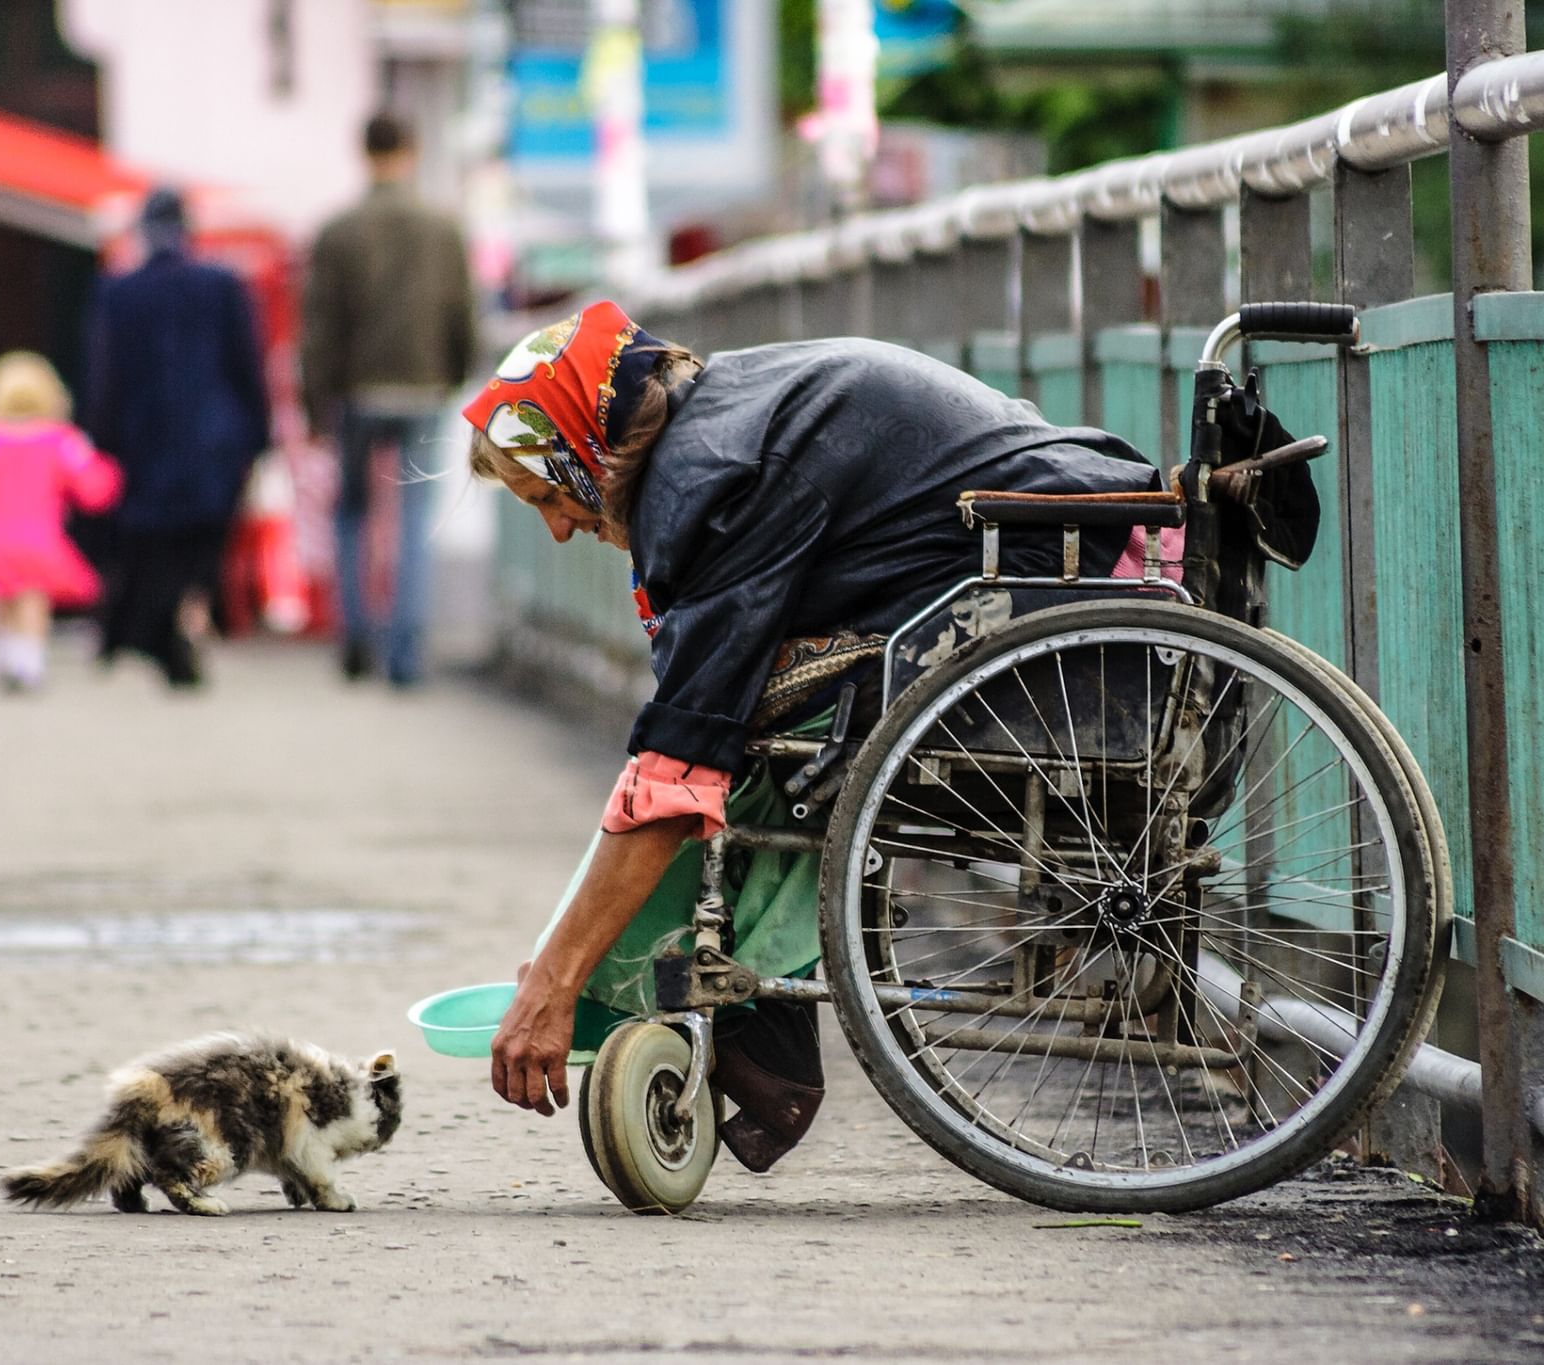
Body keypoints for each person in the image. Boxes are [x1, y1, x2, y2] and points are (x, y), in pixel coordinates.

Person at [467, 300, 1166, 1173]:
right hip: (1046, 543)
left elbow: (678, 769)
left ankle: (757, 1016)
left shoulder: (707, 479)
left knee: (722, 740)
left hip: (1058, 570)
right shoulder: (719, 423)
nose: (559, 527)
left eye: (546, 496)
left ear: (581, 455)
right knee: (746, 712)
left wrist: (553, 982)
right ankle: (757, 1014)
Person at [300, 111, 477, 688]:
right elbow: (461, 316)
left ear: (363, 151)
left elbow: (320, 327)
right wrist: (454, 375)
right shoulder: (443, 228)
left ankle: (355, 639)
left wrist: (314, 402)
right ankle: (406, 653)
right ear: (413, 149)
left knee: (351, 514)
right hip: (424, 386)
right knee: (415, 517)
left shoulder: (337, 231)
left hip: (356, 390)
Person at [87, 187, 270, 688]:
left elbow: (106, 380)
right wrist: (258, 437)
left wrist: (102, 443)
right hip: (215, 445)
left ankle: (162, 635)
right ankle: (182, 630)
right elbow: (246, 368)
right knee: (201, 550)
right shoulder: (224, 286)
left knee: (155, 548)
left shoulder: (118, 292)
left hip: (144, 446)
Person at [0, 352, 122, 691]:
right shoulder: (61, 440)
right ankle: (29, 659)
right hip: (39, 536)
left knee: (2, 598)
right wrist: (114, 473)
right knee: (32, 597)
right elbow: (93, 485)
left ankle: (6, 653)